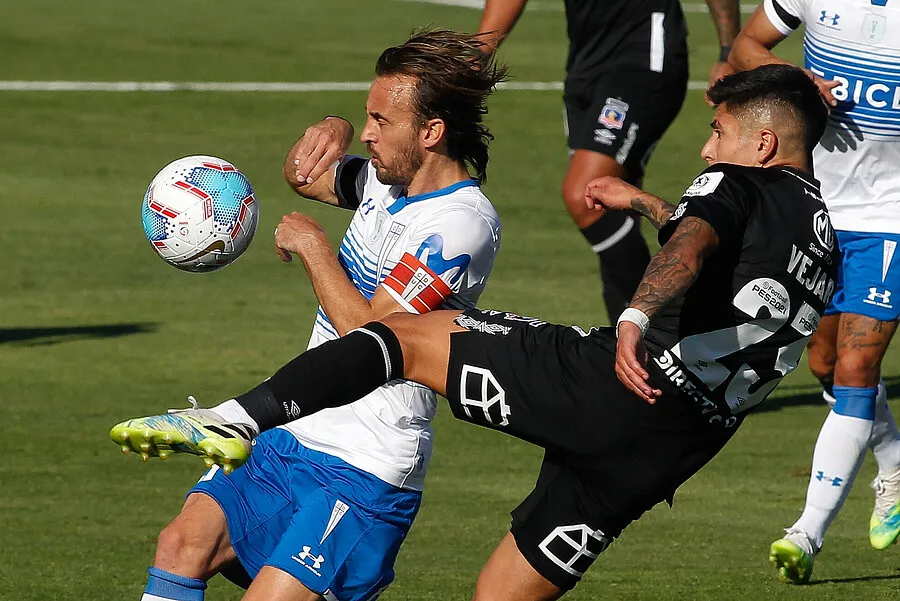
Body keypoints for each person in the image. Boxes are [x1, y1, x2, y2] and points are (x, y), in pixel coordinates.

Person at [112, 65, 835, 598]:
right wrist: (645, 201)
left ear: (764, 143)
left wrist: (636, 316)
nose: (708, 150)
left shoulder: (726, 184)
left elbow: (692, 245)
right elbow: (733, 265)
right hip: (668, 446)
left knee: (408, 340)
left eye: (719, 132)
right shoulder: (823, 239)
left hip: (610, 382)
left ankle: (232, 417)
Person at [111, 29, 505, 601]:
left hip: (367, 463)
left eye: (381, 121)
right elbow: (303, 174)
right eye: (366, 118)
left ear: (431, 132)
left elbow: (371, 339)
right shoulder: (383, 180)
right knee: (180, 544)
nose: (368, 133)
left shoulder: (460, 224)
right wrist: (333, 127)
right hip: (293, 430)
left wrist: (314, 247)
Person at [729, 0, 900, 584]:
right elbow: (746, 49)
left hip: (890, 216)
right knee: (824, 361)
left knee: (856, 362)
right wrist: (795, 80)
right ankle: (896, 465)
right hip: (816, 204)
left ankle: (806, 533)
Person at [474, 0, 742, 323]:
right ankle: (641, 347)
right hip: (585, 66)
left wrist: (729, 49)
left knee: (584, 194)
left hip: (645, 56)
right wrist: (480, 51)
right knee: (610, 207)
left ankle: (660, 327)